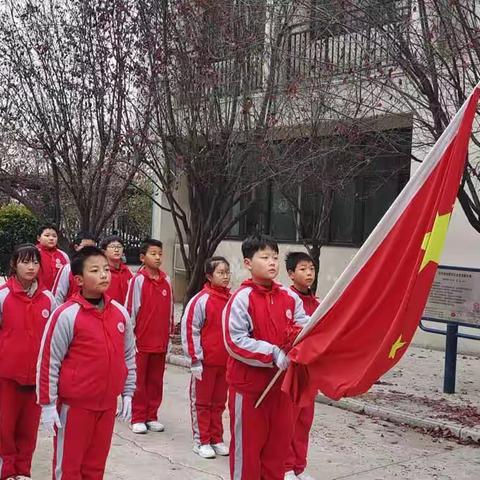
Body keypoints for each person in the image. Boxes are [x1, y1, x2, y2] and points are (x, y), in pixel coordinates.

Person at [37, 246, 136, 480]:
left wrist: (128, 392)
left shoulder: (120, 313)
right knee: (69, 468)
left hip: (106, 406)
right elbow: (49, 361)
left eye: (105, 269)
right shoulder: (66, 315)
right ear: (79, 279)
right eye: (95, 270)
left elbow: (130, 355)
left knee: (95, 468)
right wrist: (48, 405)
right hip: (75, 408)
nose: (104, 275)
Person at [223, 234, 309, 480]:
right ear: (248, 263)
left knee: (276, 455)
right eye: (264, 257)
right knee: (247, 454)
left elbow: (304, 328)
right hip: (249, 391)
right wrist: (272, 353)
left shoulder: (289, 298)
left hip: (281, 390)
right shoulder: (242, 299)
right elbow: (235, 341)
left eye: (275, 257)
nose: (272, 262)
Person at [0, 244, 56, 480]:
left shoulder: (48, 298)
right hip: (6, 376)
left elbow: (53, 339)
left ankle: (23, 471)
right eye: (25, 262)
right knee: (4, 428)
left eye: (35, 262)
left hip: (35, 378)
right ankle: (7, 471)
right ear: (14, 264)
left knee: (28, 429)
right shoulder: (3, 295)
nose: (31, 267)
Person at [181, 257, 231, 459]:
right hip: (205, 363)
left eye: (227, 272)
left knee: (219, 403)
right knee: (202, 402)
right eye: (220, 272)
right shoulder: (201, 300)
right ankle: (201, 440)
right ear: (209, 276)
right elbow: (190, 329)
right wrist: (195, 359)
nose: (225, 276)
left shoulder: (232, 300)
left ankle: (216, 438)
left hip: (226, 362)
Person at [125, 238, 174, 434]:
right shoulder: (137, 281)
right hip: (141, 341)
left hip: (160, 341)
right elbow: (131, 311)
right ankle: (137, 416)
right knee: (139, 380)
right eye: (153, 254)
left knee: (156, 380)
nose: (157, 257)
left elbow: (170, 310)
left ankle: (152, 415)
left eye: (160, 254)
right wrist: (131, 340)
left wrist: (169, 337)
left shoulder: (167, 280)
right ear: (142, 257)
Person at [284, 252, 320, 480]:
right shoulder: (286, 299)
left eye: (312, 269)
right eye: (303, 269)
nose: (309, 273)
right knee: (288, 421)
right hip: (290, 370)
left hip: (310, 371)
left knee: (304, 422)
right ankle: (285, 467)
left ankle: (299, 467)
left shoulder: (318, 303)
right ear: (291, 273)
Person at [52, 232, 96, 304]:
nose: (90, 250)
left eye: (92, 247)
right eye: (86, 247)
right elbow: (58, 295)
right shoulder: (68, 268)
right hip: (71, 312)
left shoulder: (99, 269)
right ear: (76, 247)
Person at [100, 235, 133, 304]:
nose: (116, 250)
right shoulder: (101, 272)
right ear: (104, 251)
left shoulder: (126, 271)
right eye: (112, 247)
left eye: (119, 247)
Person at [36, 224, 69, 290]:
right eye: (47, 235)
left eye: (54, 236)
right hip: (37, 294)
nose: (51, 238)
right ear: (38, 238)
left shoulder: (63, 255)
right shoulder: (33, 253)